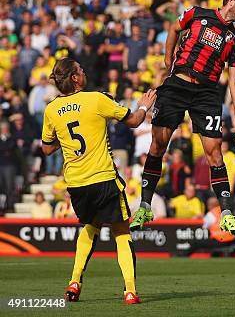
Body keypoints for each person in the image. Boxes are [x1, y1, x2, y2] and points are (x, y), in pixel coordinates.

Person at [131, 0, 235, 235]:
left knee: (215, 153)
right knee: (157, 146)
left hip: (207, 94)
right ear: (230, 1)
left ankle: (226, 213)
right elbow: (174, 29)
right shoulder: (196, 14)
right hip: (177, 85)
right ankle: (144, 206)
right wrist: (168, 59)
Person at [41, 57, 156, 304]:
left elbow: (47, 149)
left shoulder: (51, 109)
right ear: (74, 78)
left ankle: (74, 282)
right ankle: (130, 291)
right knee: (121, 231)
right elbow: (134, 121)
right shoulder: (96, 99)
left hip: (76, 182)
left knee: (90, 227)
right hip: (103, 177)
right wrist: (144, 106)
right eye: (80, 70)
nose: (84, 72)